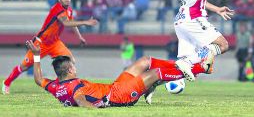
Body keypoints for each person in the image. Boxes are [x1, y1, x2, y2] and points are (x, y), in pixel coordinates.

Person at [26, 39, 214, 107]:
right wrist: (94, 108)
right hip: (120, 96)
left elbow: (38, 80)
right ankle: (201, 68)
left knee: (144, 61)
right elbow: (79, 99)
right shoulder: (75, 87)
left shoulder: (55, 86)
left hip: (116, 86)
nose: (75, 68)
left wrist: (36, 56)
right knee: (156, 72)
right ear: (69, 70)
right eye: (73, 66)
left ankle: (183, 65)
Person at [2, 0, 98, 95]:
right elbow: (66, 23)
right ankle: (6, 83)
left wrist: (80, 37)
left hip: (55, 43)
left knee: (70, 61)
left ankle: (61, 85)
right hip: (41, 43)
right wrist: (85, 22)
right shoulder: (57, 8)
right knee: (24, 67)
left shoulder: (69, 10)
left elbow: (72, 23)